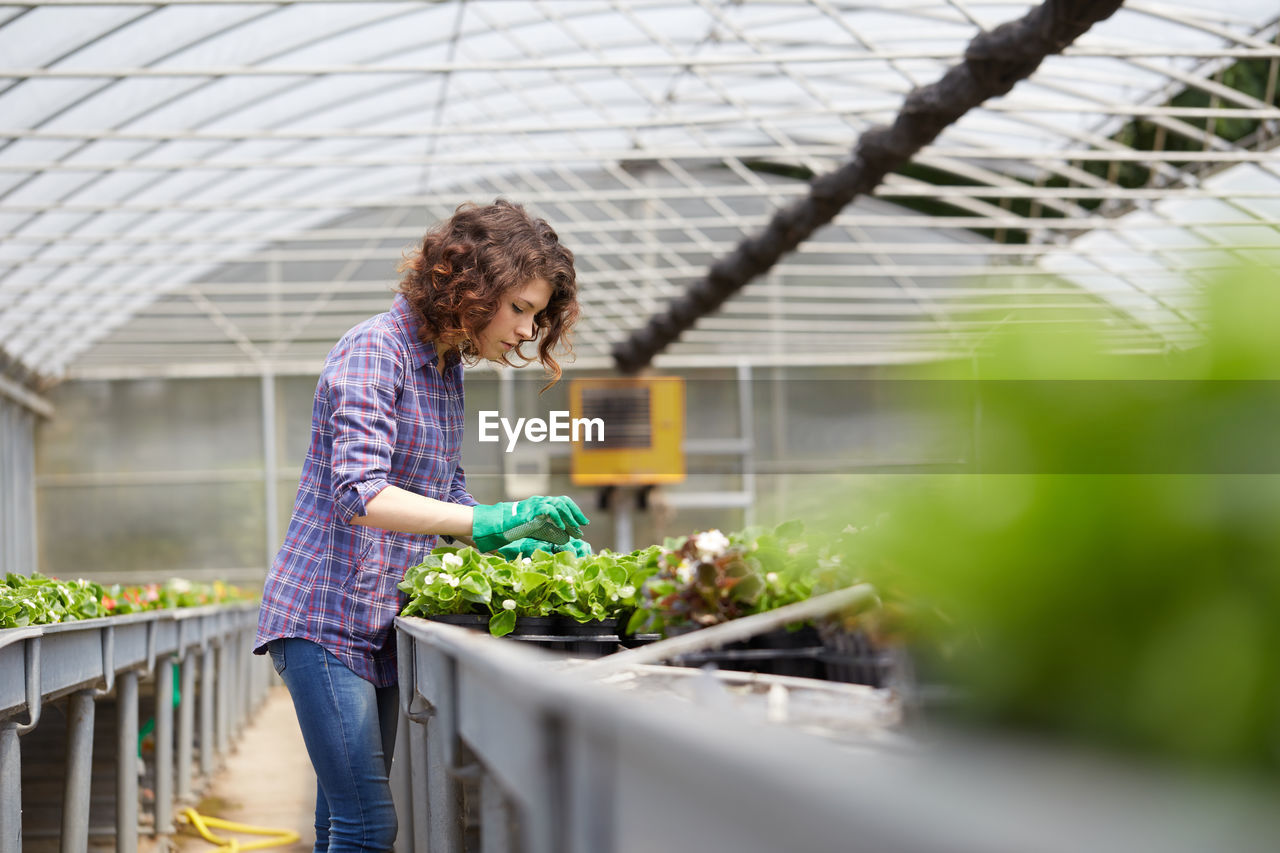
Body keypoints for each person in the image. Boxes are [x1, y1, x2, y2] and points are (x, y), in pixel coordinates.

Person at [253, 199, 590, 852]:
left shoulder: (443, 369)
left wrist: (516, 537)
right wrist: (488, 519)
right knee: (369, 823)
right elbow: (361, 491)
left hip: (378, 620)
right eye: (520, 308)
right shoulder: (375, 350)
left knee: (340, 823)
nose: (527, 331)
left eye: (538, 316)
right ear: (472, 284)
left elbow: (441, 488)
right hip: (324, 619)